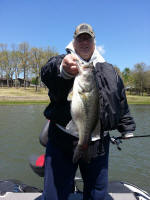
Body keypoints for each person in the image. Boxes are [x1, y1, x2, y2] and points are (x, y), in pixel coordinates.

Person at [41, 23, 136, 200]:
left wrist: (127, 126)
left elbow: (120, 99)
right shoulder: (63, 61)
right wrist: (63, 69)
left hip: (99, 144)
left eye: (88, 39)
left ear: (94, 42)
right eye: (80, 38)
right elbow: (47, 73)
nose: (84, 42)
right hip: (63, 141)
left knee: (97, 195)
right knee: (54, 194)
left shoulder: (109, 69)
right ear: (74, 42)